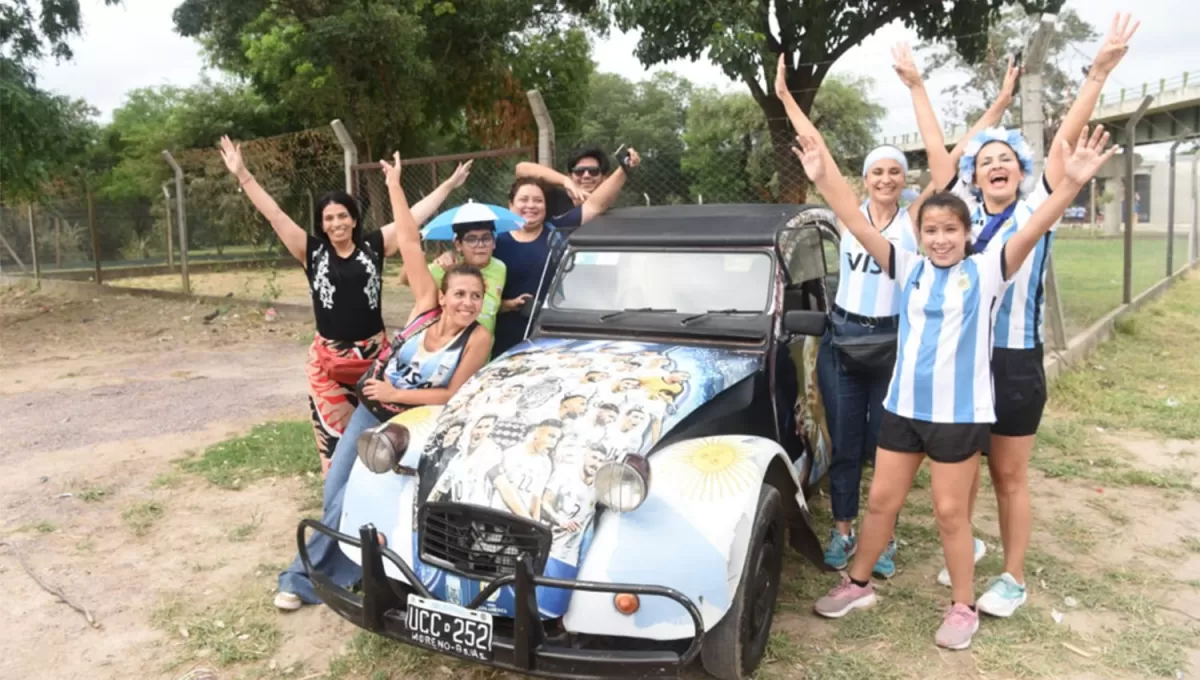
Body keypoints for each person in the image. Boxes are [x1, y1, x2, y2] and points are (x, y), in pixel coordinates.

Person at [798, 124, 1115, 649]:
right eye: (931, 231)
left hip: (959, 415)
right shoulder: (908, 268)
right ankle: (858, 584)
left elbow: (1035, 224)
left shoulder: (990, 270)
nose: (941, 239)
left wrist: (1070, 186)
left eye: (951, 230)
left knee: (949, 512)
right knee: (881, 502)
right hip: (904, 409)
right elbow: (852, 217)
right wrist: (822, 173)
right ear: (918, 235)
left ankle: (962, 606)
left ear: (967, 234)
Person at [774, 48, 1017, 577]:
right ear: (864, 179)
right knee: (844, 445)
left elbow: (954, 159)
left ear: (905, 181)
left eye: (894, 171)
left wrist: (998, 104)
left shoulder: (915, 223)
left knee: (888, 450)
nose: (885, 178)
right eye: (876, 171)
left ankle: (881, 542)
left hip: (892, 346)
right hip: (844, 341)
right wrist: (788, 100)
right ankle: (843, 532)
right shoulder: (848, 217)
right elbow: (821, 161)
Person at [938, 13, 1139, 616]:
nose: (996, 163)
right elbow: (945, 162)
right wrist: (987, 109)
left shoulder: (1035, 211)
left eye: (1008, 159)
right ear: (974, 176)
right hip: (963, 361)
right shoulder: (959, 224)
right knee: (963, 470)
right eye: (985, 160)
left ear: (1022, 173)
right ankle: (968, 545)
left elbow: (1062, 148)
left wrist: (1097, 75)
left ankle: (1013, 575)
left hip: (1017, 363)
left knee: (1008, 475)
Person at [274, 151, 492, 611]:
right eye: (459, 293)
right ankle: (355, 566)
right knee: (336, 491)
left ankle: (302, 579)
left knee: (349, 498)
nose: (465, 303)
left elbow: (452, 395)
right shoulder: (425, 307)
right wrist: (394, 184)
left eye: (475, 296)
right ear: (444, 291)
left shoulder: (478, 338)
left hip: (408, 420)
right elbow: (410, 240)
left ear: (483, 300)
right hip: (373, 408)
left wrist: (395, 393)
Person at [218, 136, 472, 475]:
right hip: (328, 365)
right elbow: (275, 214)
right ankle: (337, 492)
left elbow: (411, 219)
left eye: (342, 216)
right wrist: (243, 174)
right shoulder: (311, 252)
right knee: (336, 444)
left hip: (376, 362)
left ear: (354, 219)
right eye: (328, 218)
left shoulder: (373, 246)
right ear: (322, 225)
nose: (336, 223)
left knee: (381, 437)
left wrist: (448, 185)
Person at [492, 148, 641, 356]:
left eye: (538, 201)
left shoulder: (557, 230)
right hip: (504, 336)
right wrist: (507, 305)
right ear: (510, 205)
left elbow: (596, 205)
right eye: (523, 200)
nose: (530, 206)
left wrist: (624, 169)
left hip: (551, 334)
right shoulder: (493, 241)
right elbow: (477, 289)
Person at [515, 145, 611, 222]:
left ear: (604, 178)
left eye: (593, 171)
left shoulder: (608, 210)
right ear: (570, 176)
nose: (586, 175)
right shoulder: (552, 200)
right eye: (579, 171)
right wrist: (565, 181)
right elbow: (521, 168)